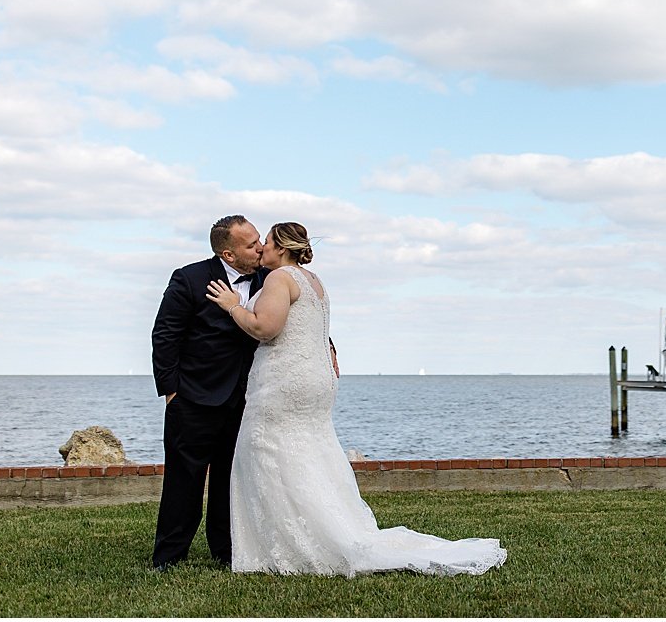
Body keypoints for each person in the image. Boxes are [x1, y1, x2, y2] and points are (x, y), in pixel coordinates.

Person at [207, 221, 507, 577]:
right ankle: (326, 527)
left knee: (269, 453)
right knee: (310, 454)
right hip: (315, 379)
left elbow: (265, 328)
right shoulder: (314, 281)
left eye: (267, 243)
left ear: (283, 249)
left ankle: (295, 545)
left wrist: (232, 305)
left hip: (285, 380)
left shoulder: (279, 278)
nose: (262, 250)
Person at [149, 215, 266, 570]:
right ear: (228, 255)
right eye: (251, 245)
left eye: (259, 240)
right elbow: (165, 335)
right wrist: (171, 392)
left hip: (247, 398)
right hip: (194, 398)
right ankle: (169, 555)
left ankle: (227, 551)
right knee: (184, 480)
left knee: (232, 480)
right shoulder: (190, 278)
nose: (260, 248)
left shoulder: (270, 279)